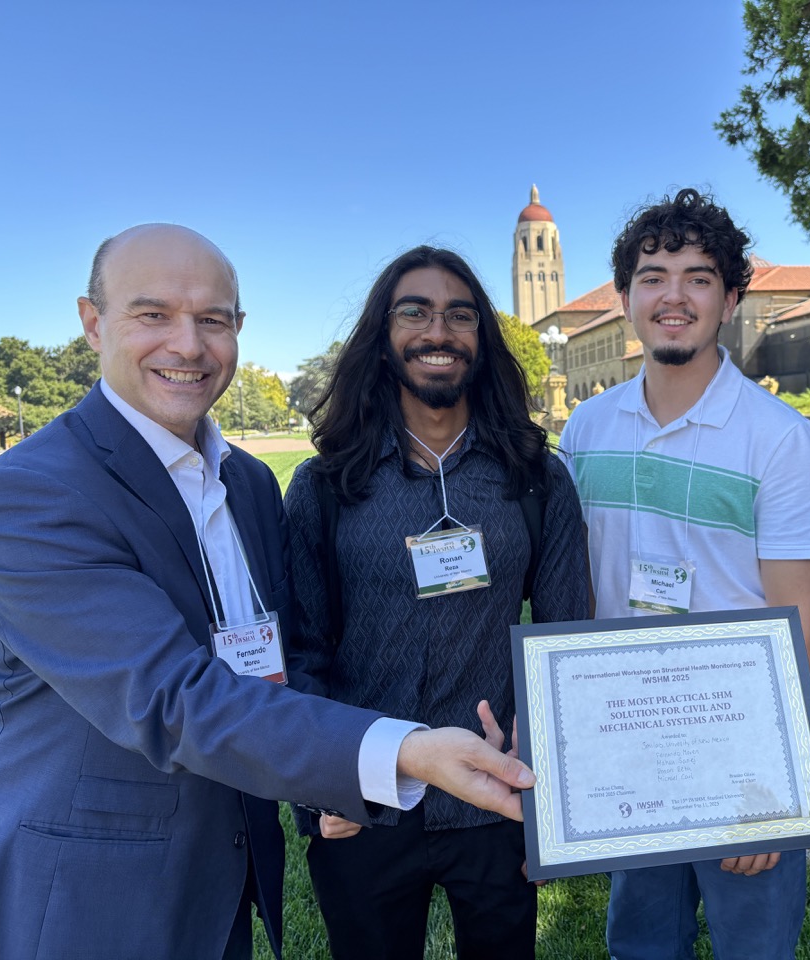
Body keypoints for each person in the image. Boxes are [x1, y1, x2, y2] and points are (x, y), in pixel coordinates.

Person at [0, 224, 534, 960]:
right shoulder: (34, 493)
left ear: (238, 330)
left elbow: (273, 658)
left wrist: (324, 783)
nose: (188, 346)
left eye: (213, 320)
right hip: (78, 893)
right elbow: (174, 698)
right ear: (93, 322)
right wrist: (403, 752)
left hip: (220, 876)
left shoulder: (249, 483)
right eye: (153, 314)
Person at [558, 188, 810, 960]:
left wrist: (770, 785)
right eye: (652, 276)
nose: (673, 296)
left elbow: (802, 622)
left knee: (753, 945)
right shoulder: (585, 429)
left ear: (732, 297)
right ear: (625, 298)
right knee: (640, 943)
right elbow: (578, 587)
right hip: (628, 737)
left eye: (698, 276)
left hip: (737, 740)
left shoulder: (780, 441)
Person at [283, 246, 589, 960]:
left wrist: (554, 808)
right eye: (413, 311)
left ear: (482, 340)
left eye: (460, 315)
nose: (438, 332)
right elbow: (300, 647)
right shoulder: (325, 486)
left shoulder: (537, 481)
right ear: (382, 337)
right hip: (364, 800)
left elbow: (567, 642)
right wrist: (321, 785)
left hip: (497, 796)